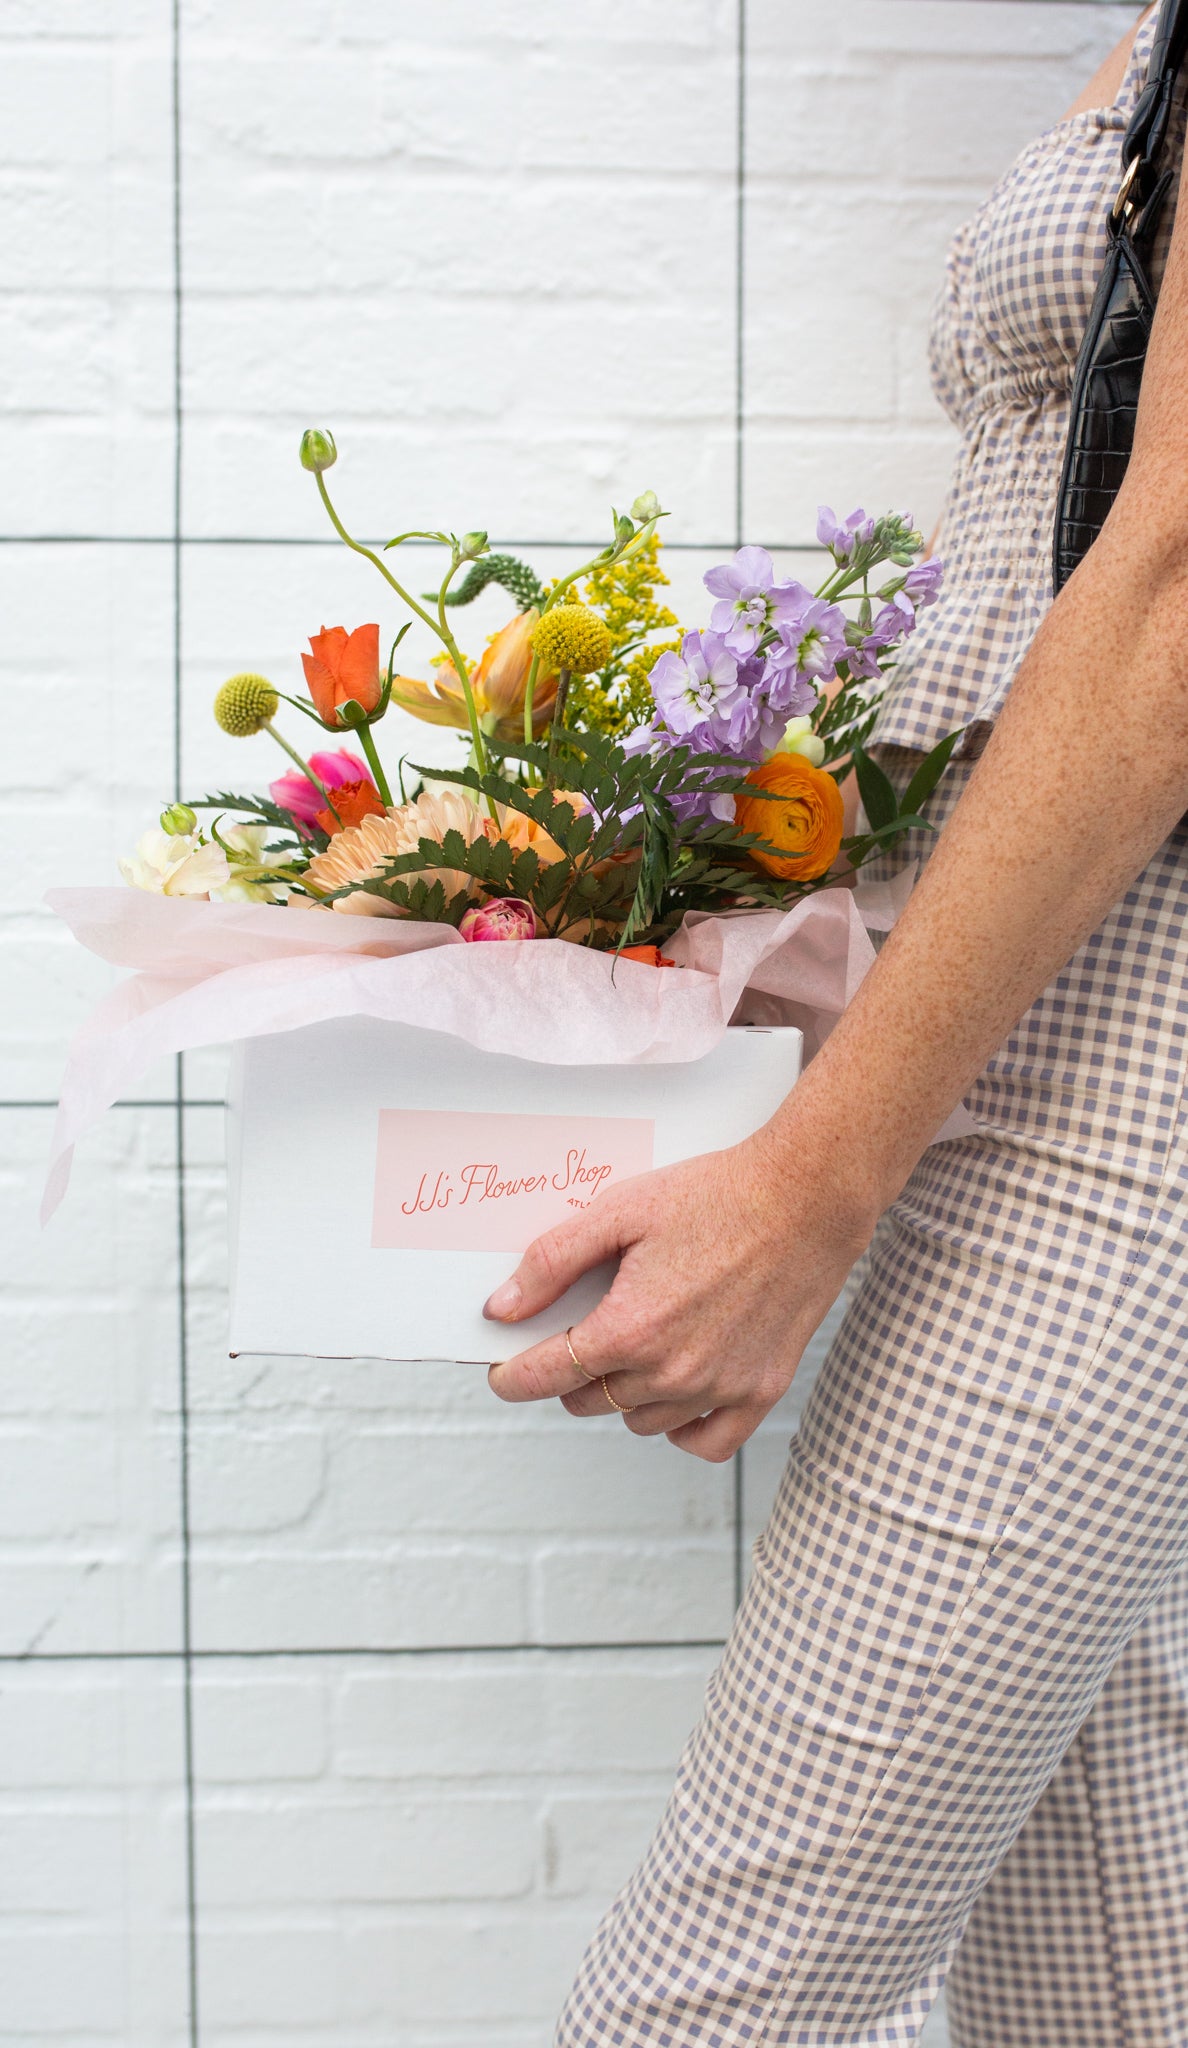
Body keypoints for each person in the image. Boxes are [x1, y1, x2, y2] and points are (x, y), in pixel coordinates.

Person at [484, 6, 1188, 2043]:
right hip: (1017, 1009)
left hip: (1131, 1068)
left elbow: (1167, 598)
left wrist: (814, 1180)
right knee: (1099, 1978)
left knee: (708, 2005)